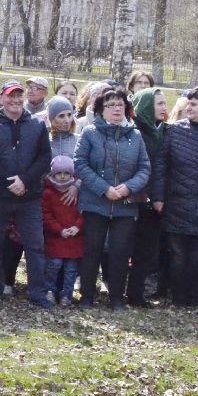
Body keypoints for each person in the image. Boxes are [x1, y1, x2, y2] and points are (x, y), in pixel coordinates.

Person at [0, 80, 54, 306]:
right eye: (11, 96)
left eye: (19, 95)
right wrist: (8, 182)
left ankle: (37, 292)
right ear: (1, 98)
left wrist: (26, 180)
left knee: (35, 246)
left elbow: (44, 158)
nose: (16, 100)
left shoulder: (37, 126)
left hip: (29, 196)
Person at [150, 85, 198, 308]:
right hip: (177, 202)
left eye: (193, 104)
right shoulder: (175, 130)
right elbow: (161, 165)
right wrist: (158, 196)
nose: (188, 108)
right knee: (177, 254)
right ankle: (178, 297)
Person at [74, 86, 151, 309]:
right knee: (92, 250)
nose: (116, 109)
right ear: (101, 109)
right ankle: (87, 295)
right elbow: (80, 164)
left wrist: (128, 187)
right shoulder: (90, 133)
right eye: (111, 105)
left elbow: (145, 168)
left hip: (125, 205)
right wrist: (104, 189)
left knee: (120, 252)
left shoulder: (135, 136)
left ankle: (117, 297)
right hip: (95, 202)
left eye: (120, 105)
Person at [127, 88, 169, 305]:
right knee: (134, 250)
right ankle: (130, 293)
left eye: (165, 103)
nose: (164, 108)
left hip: (154, 201)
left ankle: (137, 293)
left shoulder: (161, 130)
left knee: (147, 252)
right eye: (159, 103)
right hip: (137, 199)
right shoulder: (136, 133)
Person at [42, 156, 84, 304]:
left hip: (74, 238)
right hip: (56, 237)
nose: (62, 177)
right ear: (53, 174)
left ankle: (67, 294)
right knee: (54, 265)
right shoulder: (48, 193)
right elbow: (46, 216)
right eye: (59, 173)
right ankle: (49, 290)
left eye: (66, 173)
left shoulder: (78, 192)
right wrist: (59, 230)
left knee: (71, 269)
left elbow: (83, 212)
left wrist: (77, 227)